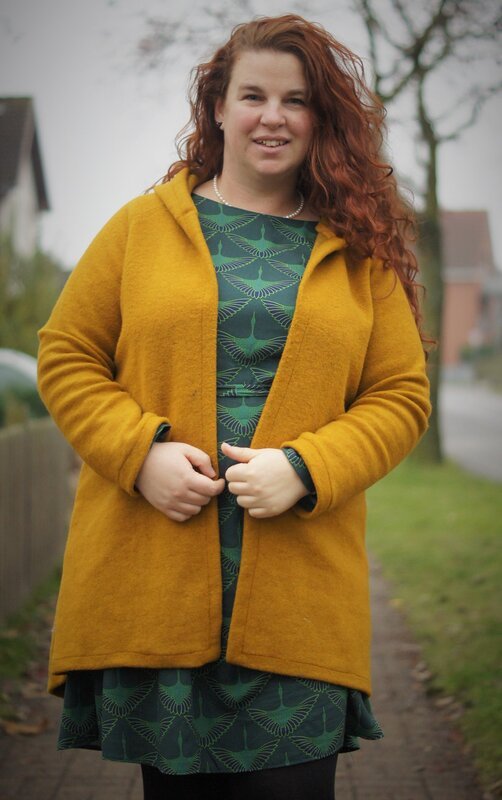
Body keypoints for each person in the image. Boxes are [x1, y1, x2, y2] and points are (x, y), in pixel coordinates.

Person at [37, 13, 431, 800]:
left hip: (299, 593)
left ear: (320, 117)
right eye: (254, 96)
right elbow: (66, 354)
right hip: (157, 583)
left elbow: (401, 394)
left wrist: (307, 468)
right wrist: (139, 455)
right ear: (218, 107)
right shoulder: (140, 228)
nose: (273, 117)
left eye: (297, 100)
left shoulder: (360, 250)